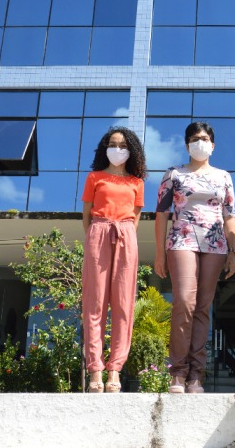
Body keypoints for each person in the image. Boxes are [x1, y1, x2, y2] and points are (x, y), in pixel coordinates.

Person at [154, 121, 235, 394]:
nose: (199, 142)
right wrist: (159, 253)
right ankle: (177, 372)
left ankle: (195, 376)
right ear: (187, 144)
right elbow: (161, 214)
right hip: (181, 240)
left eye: (204, 138)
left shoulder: (224, 176)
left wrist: (232, 252)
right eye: (194, 138)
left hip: (215, 244)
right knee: (185, 302)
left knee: (203, 307)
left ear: (212, 145)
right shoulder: (173, 174)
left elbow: (229, 216)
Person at [81, 126, 146, 393]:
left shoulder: (137, 182)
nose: (117, 149)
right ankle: (95, 368)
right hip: (99, 231)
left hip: (126, 235)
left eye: (122, 145)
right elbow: (86, 214)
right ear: (104, 148)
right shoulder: (94, 177)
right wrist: (96, 237)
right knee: (94, 304)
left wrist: (123, 236)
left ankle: (115, 370)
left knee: (123, 305)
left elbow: (137, 217)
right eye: (112, 144)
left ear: (131, 150)